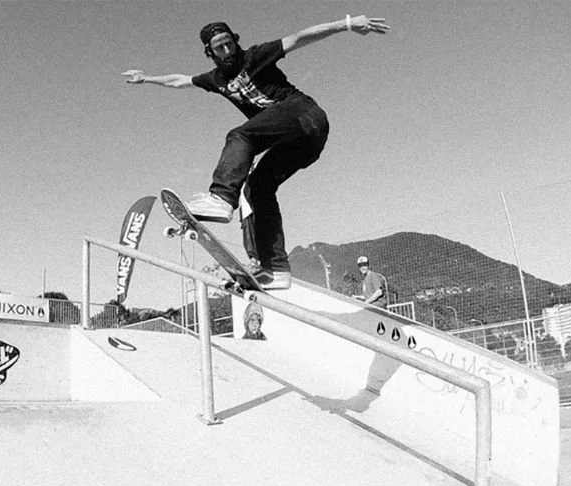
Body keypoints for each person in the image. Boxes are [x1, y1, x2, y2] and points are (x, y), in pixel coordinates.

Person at [123, 15, 389, 289]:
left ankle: (222, 197)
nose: (227, 51)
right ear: (210, 53)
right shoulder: (215, 79)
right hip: (301, 144)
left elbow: (300, 37)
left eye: (229, 43)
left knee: (240, 136)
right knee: (257, 188)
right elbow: (179, 80)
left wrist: (346, 24)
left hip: (306, 115)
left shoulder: (256, 56)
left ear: (235, 41)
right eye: (219, 48)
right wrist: (146, 79)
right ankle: (276, 269)